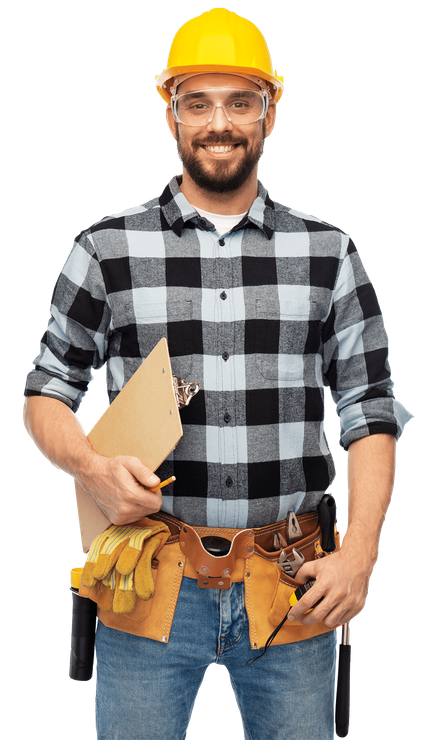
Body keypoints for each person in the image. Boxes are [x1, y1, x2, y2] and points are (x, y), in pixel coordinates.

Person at [22, 8, 414, 740]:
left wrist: (359, 554)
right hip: (147, 581)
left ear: (271, 113)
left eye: (241, 101)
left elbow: (371, 408)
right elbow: (47, 390)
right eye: (197, 102)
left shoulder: (330, 253)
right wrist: (90, 466)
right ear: (169, 115)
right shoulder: (105, 249)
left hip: (295, 588)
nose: (219, 122)